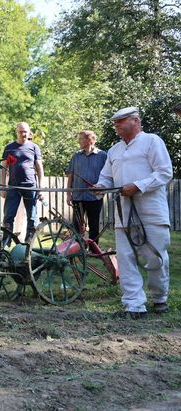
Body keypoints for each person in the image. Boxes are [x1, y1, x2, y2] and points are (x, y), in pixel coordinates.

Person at [94, 107, 173, 319]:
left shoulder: (152, 141)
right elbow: (106, 177)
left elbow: (165, 172)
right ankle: (134, 305)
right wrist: (100, 186)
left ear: (135, 120)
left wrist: (137, 186)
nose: (117, 125)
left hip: (151, 211)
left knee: (154, 257)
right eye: (115, 122)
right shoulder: (114, 151)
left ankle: (159, 297)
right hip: (123, 211)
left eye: (121, 121)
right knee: (126, 258)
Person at [0, 122, 45, 243]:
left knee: (32, 216)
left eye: (25, 131)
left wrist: (41, 188)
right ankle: (6, 240)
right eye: (20, 131)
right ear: (16, 132)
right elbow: (4, 168)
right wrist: (2, 187)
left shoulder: (34, 147)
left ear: (29, 132)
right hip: (13, 187)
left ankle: (29, 242)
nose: (23, 134)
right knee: (9, 215)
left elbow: (40, 168)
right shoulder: (9, 148)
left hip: (30, 186)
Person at [65, 130, 108, 242]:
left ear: (90, 140)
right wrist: (68, 194)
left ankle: (94, 250)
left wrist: (103, 190)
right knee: (77, 225)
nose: (78, 141)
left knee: (94, 225)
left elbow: (109, 175)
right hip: (78, 196)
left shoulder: (103, 156)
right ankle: (77, 249)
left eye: (81, 138)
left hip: (94, 197)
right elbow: (71, 175)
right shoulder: (76, 156)